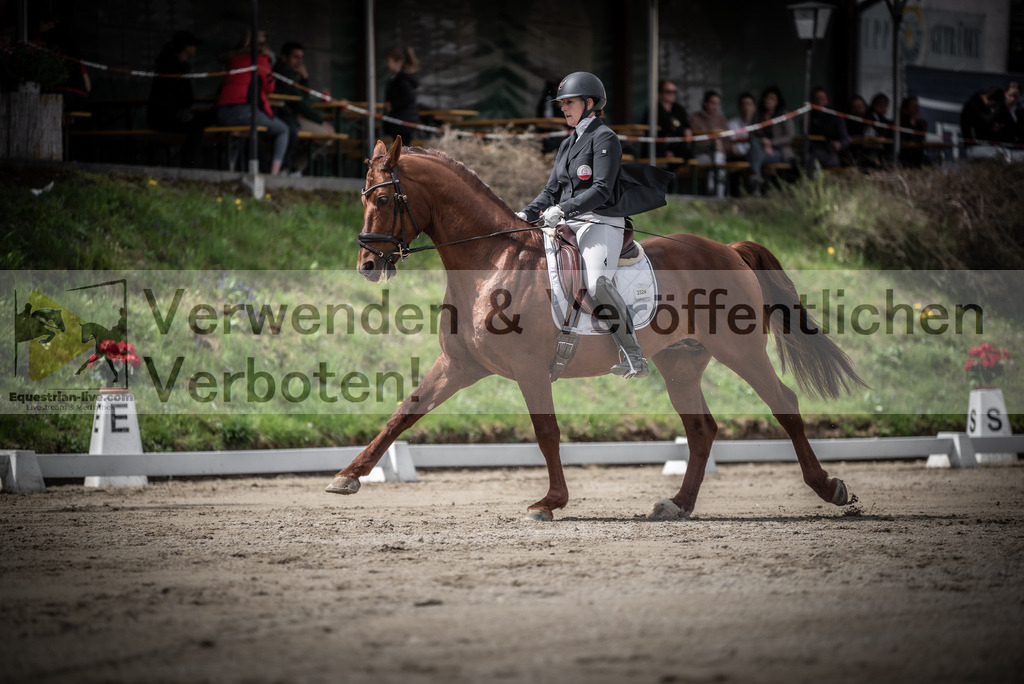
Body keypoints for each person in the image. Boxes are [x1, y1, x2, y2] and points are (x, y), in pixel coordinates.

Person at [515, 72, 648, 379]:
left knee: (598, 281)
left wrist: (562, 209)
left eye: (569, 103)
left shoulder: (605, 139)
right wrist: (524, 214)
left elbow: (601, 189)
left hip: (601, 221)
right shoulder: (566, 144)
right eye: (562, 104)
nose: (563, 109)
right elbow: (550, 190)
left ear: (589, 103)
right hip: (567, 221)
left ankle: (634, 356)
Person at [215, 29, 290, 174]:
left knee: (235, 133)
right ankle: (274, 176)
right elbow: (270, 87)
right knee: (283, 129)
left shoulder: (232, 59)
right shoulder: (260, 59)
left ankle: (230, 172)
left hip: (222, 113)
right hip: (246, 112)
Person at [147, 31, 212, 168]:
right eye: (193, 45)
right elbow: (182, 97)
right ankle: (189, 168)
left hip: (167, 113)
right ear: (186, 47)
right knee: (196, 126)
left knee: (200, 122)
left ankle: (190, 165)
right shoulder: (172, 65)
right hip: (163, 116)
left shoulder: (174, 63)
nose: (195, 49)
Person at [273, 41, 337, 175]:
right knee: (328, 135)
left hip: (294, 117)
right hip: (285, 117)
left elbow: (304, 99)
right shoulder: (283, 74)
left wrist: (305, 78)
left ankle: (296, 166)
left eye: (301, 58)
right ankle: (293, 167)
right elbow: (301, 104)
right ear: (285, 58)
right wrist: (321, 121)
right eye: (295, 57)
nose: (299, 62)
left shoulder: (293, 74)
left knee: (330, 136)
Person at [748, 85, 795, 193]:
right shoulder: (758, 115)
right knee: (755, 146)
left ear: (777, 102)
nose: (768, 100)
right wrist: (764, 143)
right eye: (766, 97)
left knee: (753, 156)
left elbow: (789, 136)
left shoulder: (784, 115)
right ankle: (756, 180)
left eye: (772, 98)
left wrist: (771, 143)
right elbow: (751, 135)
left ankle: (756, 187)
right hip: (761, 150)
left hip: (779, 152)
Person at [689, 90, 729, 197]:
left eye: (717, 104)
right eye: (712, 103)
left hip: (719, 155)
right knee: (718, 159)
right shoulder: (695, 118)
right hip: (701, 155)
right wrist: (712, 144)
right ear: (705, 103)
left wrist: (720, 147)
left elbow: (728, 141)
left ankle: (714, 192)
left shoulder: (721, 119)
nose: (715, 106)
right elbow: (694, 143)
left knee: (719, 157)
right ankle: (717, 193)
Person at [641, 79, 692, 161]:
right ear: (660, 93)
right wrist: (664, 151)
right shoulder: (653, 110)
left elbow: (686, 126)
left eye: (674, 92)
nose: (672, 94)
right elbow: (650, 134)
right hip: (660, 148)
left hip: (678, 147)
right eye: (668, 92)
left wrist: (687, 130)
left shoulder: (679, 109)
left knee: (689, 154)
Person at [806, 87, 849, 172]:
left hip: (830, 154)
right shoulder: (808, 118)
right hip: (812, 152)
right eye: (817, 99)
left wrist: (838, 144)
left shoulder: (836, 117)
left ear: (827, 100)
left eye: (822, 98)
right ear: (813, 102)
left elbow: (846, 139)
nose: (820, 101)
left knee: (813, 157)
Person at [383, 46, 419, 145]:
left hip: (403, 122)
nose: (387, 64)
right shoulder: (396, 78)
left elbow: (409, 97)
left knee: (403, 151)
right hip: (399, 122)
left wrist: (393, 105)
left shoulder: (402, 79)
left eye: (389, 61)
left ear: (398, 62)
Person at [898, 95, 928, 168]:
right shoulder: (900, 123)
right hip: (905, 157)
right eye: (914, 107)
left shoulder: (921, 125)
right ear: (906, 110)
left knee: (928, 163)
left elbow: (921, 140)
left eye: (917, 107)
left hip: (918, 156)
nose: (917, 110)